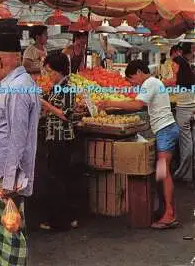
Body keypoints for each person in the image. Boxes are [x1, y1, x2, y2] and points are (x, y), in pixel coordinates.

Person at [0, 30, 40, 265]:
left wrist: (9, 182)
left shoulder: (18, 88)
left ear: (4, 59)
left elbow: (17, 139)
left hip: (4, 176)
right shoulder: (14, 85)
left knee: (7, 233)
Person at [97, 60, 180, 229]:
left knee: (164, 173)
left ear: (139, 72)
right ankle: (165, 210)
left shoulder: (149, 83)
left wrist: (109, 103)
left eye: (132, 78)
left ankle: (170, 214)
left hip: (165, 132)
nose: (132, 82)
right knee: (161, 172)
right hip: (166, 130)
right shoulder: (154, 82)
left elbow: (137, 104)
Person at [38, 53, 79, 231]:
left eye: (50, 71)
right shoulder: (55, 88)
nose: (48, 75)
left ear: (58, 71)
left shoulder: (68, 87)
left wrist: (45, 105)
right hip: (53, 136)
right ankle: (65, 218)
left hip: (61, 138)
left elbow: (66, 114)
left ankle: (60, 221)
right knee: (58, 178)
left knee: (58, 179)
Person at [163, 56, 195, 182]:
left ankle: (183, 173)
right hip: (193, 111)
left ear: (180, 66)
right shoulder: (192, 77)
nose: (172, 67)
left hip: (183, 112)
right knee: (192, 141)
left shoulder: (176, 80)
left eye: (174, 65)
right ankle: (190, 172)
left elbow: (161, 85)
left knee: (185, 143)